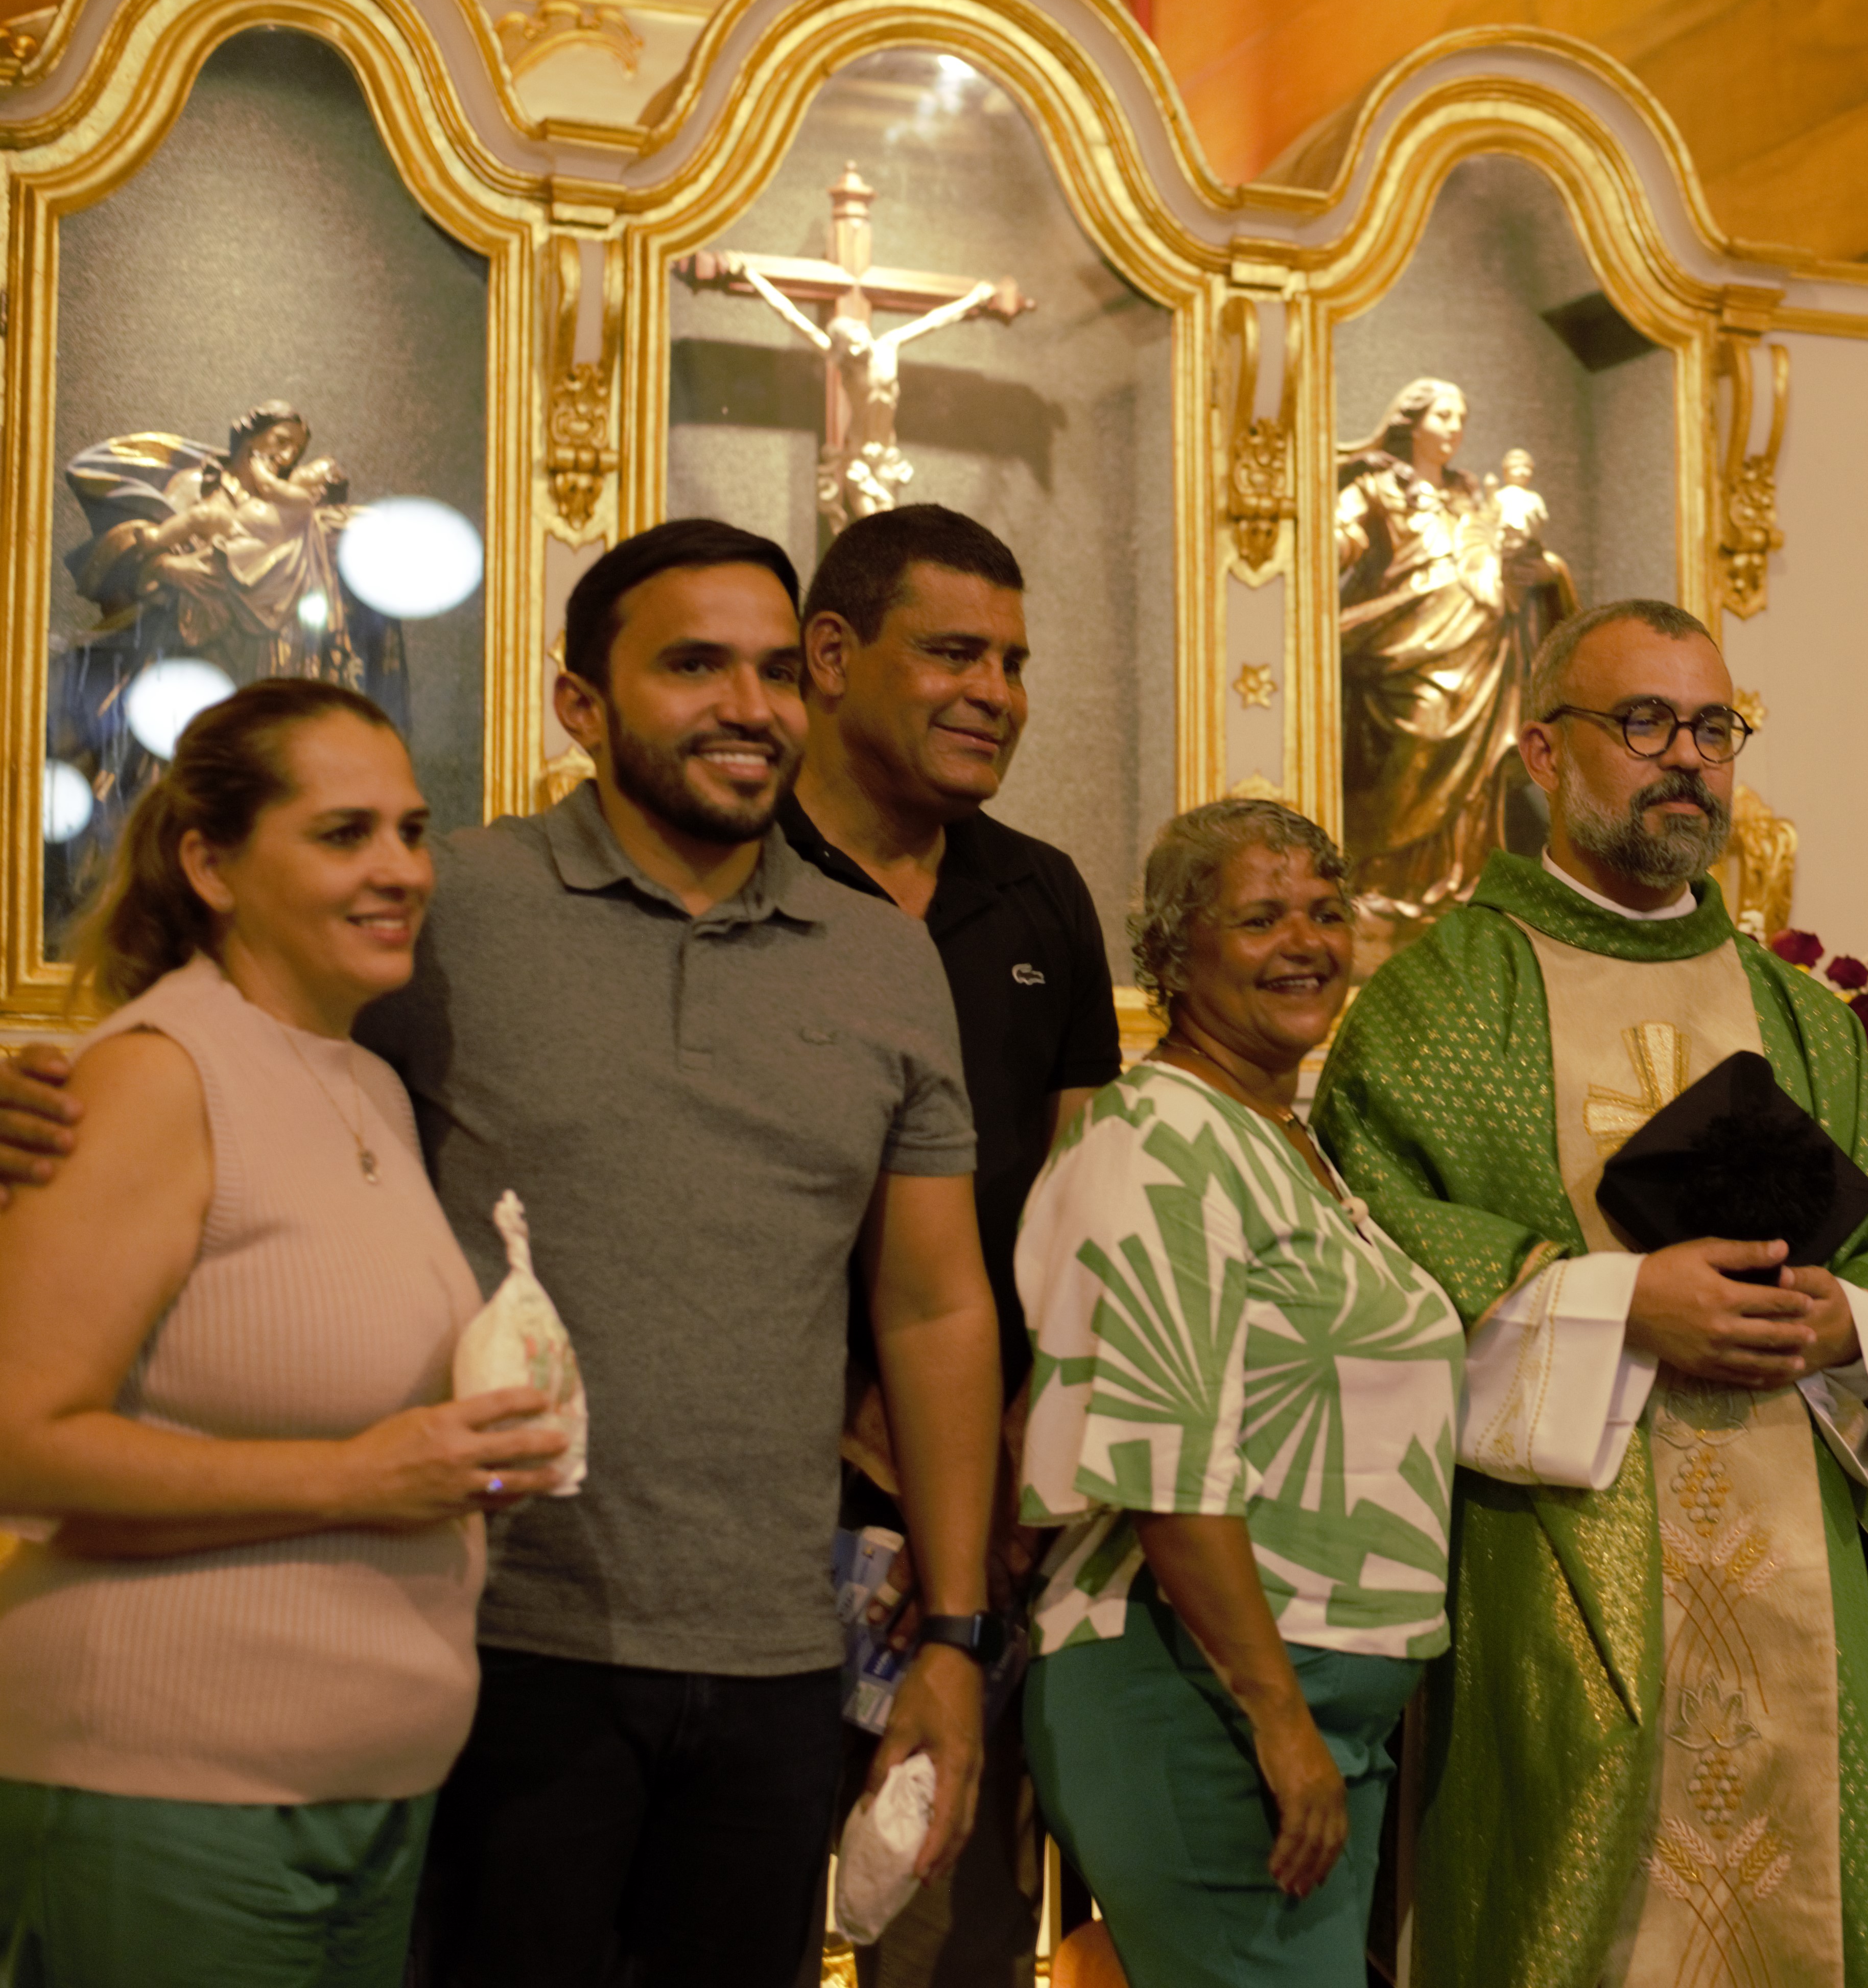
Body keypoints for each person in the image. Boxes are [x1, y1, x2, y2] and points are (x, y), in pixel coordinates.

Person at [0, 522, 1012, 1983]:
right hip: (494, 1644)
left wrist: (956, 1636)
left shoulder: (883, 962)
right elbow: (207, 1041)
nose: (751, 706)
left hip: (774, 1649)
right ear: (580, 707)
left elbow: (934, 1308)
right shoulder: (447, 911)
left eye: (781, 672)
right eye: (693, 666)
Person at [1313, 599, 1868, 1988]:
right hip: (1559, 1562)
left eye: (1715, 729)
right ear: (1545, 752)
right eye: (1647, 724)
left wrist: (1853, 1321)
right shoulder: (1442, 1000)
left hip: (1803, 1543)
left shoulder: (1797, 1014)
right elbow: (1369, 1255)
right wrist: (1619, 1310)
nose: (1689, 761)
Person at [0, 681, 568, 1985]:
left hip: (363, 1795)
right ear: (210, 862)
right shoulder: (157, 1074)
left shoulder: (362, 1072)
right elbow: (20, 1444)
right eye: (343, 833)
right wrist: (369, 1475)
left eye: (414, 831)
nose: (400, 870)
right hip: (162, 1781)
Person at [1011, 799, 1463, 1985]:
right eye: (1259, 917)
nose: (1304, 941)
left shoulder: (1287, 1138)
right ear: (1173, 956)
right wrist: (1278, 1719)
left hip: (1312, 1707)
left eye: (1325, 910)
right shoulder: (1156, 1141)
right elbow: (1167, 1469)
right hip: (1199, 1692)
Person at [779, 502, 1124, 1984]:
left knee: (953, 1930)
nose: (997, 692)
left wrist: (1007, 1460)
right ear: (833, 655)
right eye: (956, 654)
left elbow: (1089, 1199)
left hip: (993, 1509)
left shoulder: (1036, 890)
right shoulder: (750, 872)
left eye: (1017, 662)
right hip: (781, 1493)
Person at [1333, 377, 1574, 920]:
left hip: (1480, 651)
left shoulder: (1472, 497)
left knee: (1475, 779)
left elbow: (1498, 557)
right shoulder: (1379, 487)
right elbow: (1342, 534)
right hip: (1402, 649)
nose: (1455, 428)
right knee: (1413, 748)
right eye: (1443, 416)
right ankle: (1385, 884)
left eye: (1461, 418)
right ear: (1411, 423)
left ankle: (1459, 888)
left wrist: (1545, 572)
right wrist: (1330, 541)